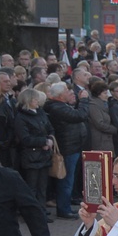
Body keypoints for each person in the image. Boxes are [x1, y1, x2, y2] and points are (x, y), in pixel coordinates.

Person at [44, 82, 89, 219]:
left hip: (73, 146)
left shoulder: (61, 106)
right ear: (60, 95)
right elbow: (79, 115)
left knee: (69, 180)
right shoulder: (57, 108)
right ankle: (64, 209)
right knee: (66, 181)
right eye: (66, 91)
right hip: (68, 148)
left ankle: (66, 205)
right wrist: (84, 100)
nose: (70, 93)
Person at [13, 89, 54, 221]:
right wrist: (43, 141)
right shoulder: (21, 117)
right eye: (35, 99)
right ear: (28, 100)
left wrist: (50, 139)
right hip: (31, 156)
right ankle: (31, 214)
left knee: (42, 186)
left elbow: (50, 128)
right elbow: (24, 138)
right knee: (32, 187)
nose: (38, 101)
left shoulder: (40, 113)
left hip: (44, 154)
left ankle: (41, 211)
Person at [87, 81, 116, 154]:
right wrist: (113, 129)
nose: (107, 95)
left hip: (106, 139)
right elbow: (99, 123)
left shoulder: (105, 104)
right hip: (100, 140)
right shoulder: (93, 106)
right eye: (105, 93)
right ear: (98, 94)